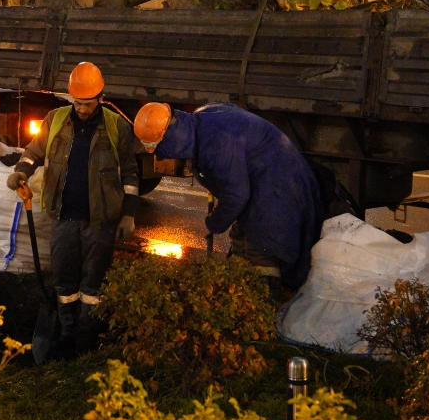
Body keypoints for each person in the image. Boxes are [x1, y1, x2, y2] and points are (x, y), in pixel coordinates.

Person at [8, 62, 139, 345]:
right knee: (64, 281)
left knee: (92, 284)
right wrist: (22, 171)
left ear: (101, 98)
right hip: (64, 218)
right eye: (78, 102)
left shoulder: (116, 127)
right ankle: (66, 333)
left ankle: (86, 336)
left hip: (101, 221)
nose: (82, 109)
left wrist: (128, 214)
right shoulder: (54, 120)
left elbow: (130, 174)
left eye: (88, 103)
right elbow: (33, 152)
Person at [132, 102, 320, 293]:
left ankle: (259, 307)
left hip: (277, 192)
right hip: (267, 183)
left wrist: (212, 224)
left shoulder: (215, 142)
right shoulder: (200, 121)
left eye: (159, 150)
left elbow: (236, 195)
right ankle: (240, 294)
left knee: (260, 249)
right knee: (240, 237)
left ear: (168, 140)